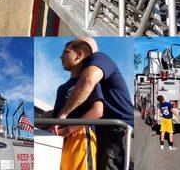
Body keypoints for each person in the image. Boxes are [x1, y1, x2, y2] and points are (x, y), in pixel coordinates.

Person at [57, 37, 134, 170]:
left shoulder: (99, 58)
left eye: (67, 50)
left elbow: (88, 79)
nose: (60, 56)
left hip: (117, 128)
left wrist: (64, 115)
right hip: (103, 129)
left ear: (81, 53)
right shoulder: (68, 85)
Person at [53, 37, 104, 170]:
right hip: (59, 138)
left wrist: (68, 129)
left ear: (79, 55)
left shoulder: (88, 81)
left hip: (81, 136)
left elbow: (97, 111)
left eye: (66, 52)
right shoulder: (62, 88)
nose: (60, 56)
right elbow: (56, 114)